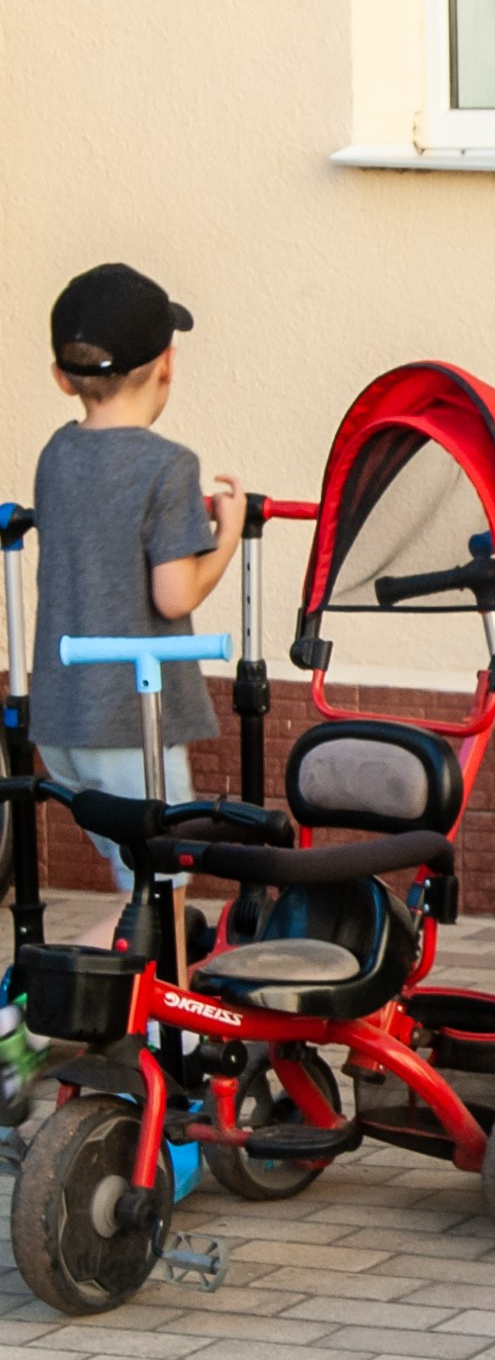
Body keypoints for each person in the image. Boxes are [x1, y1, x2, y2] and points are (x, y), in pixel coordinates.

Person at [31, 263, 244, 899]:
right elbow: (175, 594)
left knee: (144, 885)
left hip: (62, 717)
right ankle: (57, 972)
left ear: (62, 377)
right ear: (168, 365)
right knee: (160, 889)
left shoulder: (56, 454)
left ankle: (96, 966)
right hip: (130, 718)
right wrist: (227, 533)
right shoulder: (167, 466)